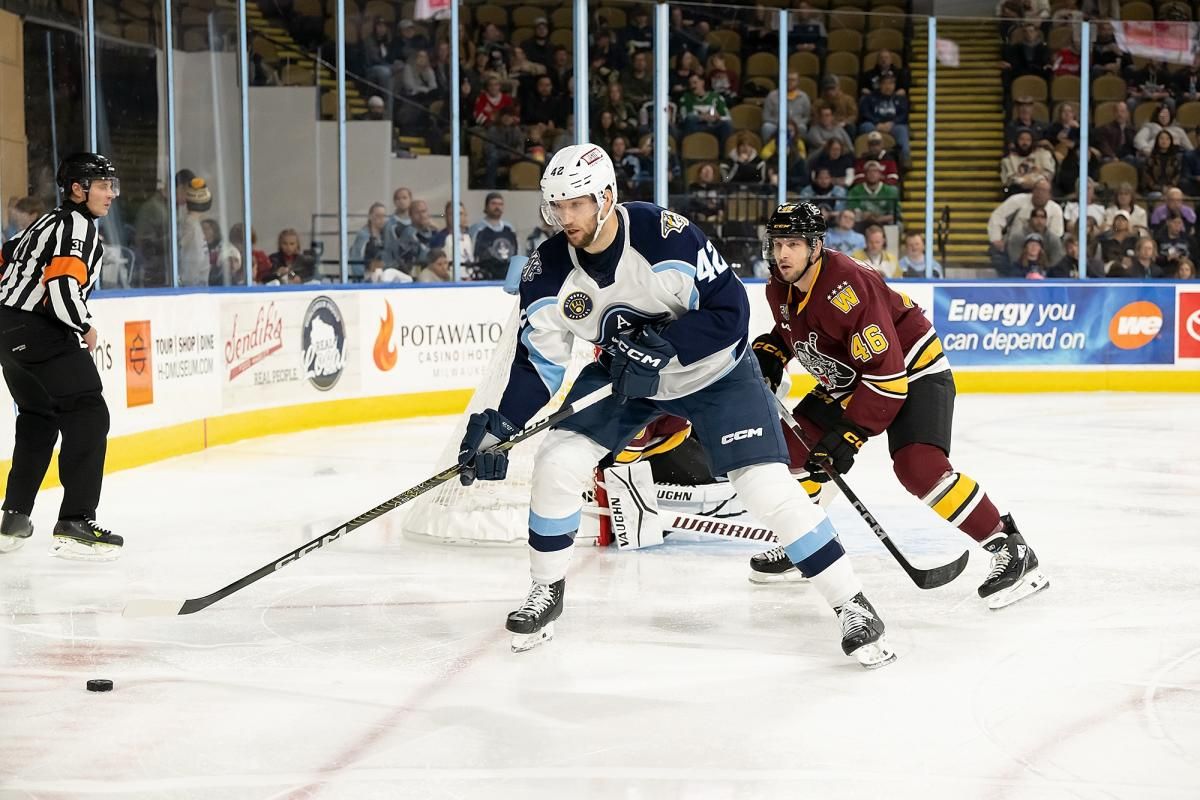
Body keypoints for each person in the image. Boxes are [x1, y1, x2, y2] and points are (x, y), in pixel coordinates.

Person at [456, 146, 896, 668]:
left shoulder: (665, 235)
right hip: (626, 378)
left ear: (606, 197)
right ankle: (545, 589)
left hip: (717, 373)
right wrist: (502, 424)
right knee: (557, 461)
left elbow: (732, 311)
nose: (565, 218)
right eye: (557, 207)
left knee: (767, 489)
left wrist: (669, 345)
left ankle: (852, 604)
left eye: (576, 205)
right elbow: (537, 365)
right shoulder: (546, 271)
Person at [746, 202, 1048, 609]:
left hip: (911, 369)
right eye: (778, 243)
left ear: (816, 246)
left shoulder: (847, 288)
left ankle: (1010, 549)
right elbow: (797, 331)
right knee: (791, 452)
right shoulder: (779, 284)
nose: (783, 254)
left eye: (794, 244)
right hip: (853, 375)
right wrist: (771, 352)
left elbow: (887, 378)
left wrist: (849, 435)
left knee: (919, 467)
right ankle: (808, 540)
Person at [0, 153, 124, 560]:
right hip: (41, 332)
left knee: (39, 417)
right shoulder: (77, 226)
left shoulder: (47, 220)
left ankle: (14, 518)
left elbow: (4, 256)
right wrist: (83, 325)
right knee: (88, 412)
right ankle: (75, 521)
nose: (110, 194)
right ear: (77, 188)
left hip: (7, 330)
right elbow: (62, 286)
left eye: (111, 185)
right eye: (102, 185)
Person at [468, 192, 519, 280]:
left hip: (507, 278)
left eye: (500, 204)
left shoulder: (510, 229)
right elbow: (471, 254)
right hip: (485, 278)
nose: (497, 207)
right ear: (486, 206)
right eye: (493, 203)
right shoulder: (477, 229)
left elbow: (517, 253)